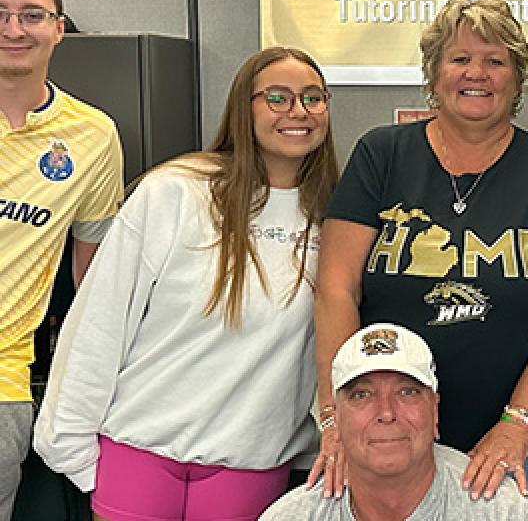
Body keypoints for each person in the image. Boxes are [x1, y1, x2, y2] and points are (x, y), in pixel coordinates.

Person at [311, 0, 528, 506]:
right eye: (461, 58)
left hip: (514, 448)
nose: (478, 72)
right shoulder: (381, 155)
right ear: (434, 72)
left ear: (517, 79)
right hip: (388, 441)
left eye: (496, 61)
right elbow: (336, 289)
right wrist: (336, 418)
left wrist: (518, 425)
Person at [33, 46, 337, 520]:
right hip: (138, 450)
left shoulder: (336, 217)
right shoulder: (175, 192)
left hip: (251, 460)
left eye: (313, 98)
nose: (298, 111)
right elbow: (101, 319)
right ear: (244, 106)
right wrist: (71, 445)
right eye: (277, 97)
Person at [0, 0, 123, 520]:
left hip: (4, 382)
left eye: (31, 14)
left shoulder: (92, 136)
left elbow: (92, 276)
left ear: (58, 28)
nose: (14, 29)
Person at [261, 322, 528, 520]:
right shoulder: (293, 515)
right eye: (362, 394)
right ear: (335, 418)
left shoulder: (505, 513)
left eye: (407, 391)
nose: (386, 412)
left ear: (435, 412)